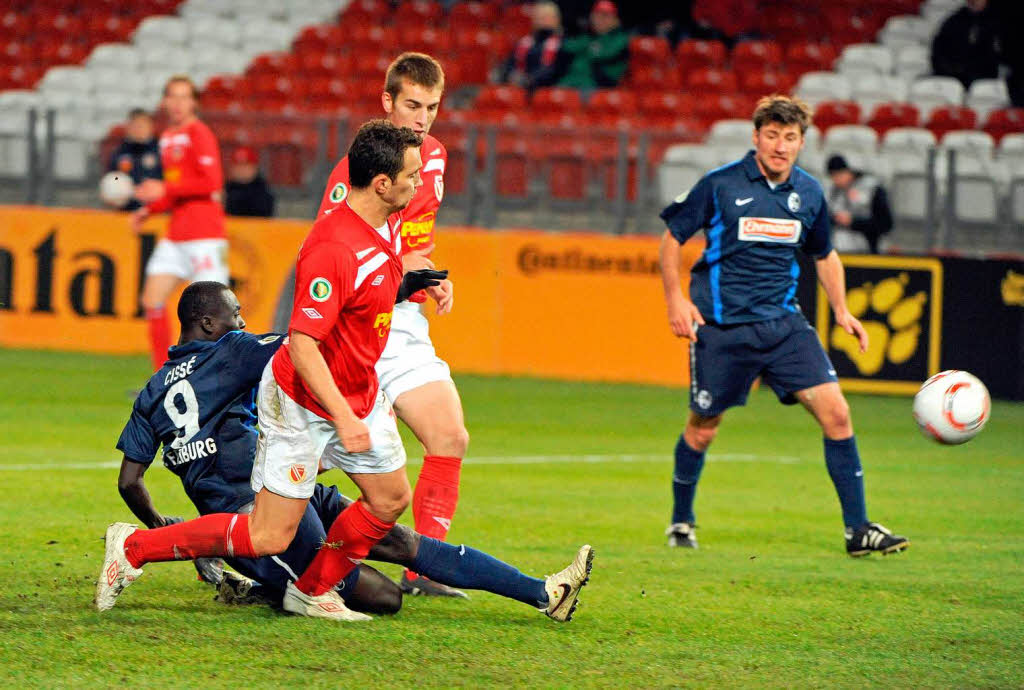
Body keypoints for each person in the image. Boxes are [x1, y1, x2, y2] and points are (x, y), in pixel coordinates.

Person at [95, 121, 594, 622]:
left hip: (358, 390)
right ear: (382, 183)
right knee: (271, 536)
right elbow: (305, 345)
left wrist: (414, 283)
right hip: (302, 402)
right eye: (412, 176)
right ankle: (136, 549)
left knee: (390, 500)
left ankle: (315, 588)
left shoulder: (387, 223)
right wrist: (344, 417)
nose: (420, 185)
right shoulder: (331, 247)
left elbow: (368, 289)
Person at [112, 281, 594, 618]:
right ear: (208, 322)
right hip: (260, 513)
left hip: (287, 486)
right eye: (235, 314)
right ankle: (259, 583)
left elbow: (129, 482)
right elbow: (304, 343)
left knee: (398, 541)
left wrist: (162, 521)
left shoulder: (150, 393)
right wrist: (389, 296)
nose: (242, 320)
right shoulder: (233, 349)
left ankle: (544, 593)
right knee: (385, 598)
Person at [657, 95, 910, 557]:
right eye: (771, 135)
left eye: (789, 137)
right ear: (756, 138)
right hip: (723, 327)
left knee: (837, 414)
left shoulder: (809, 193)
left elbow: (825, 254)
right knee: (703, 428)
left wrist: (842, 310)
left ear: (801, 142)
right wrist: (676, 298)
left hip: (784, 325)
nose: (780, 145)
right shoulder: (720, 185)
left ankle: (858, 530)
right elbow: (673, 237)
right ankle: (680, 520)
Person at [317, 53, 467, 598]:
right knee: (309, 459)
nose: (423, 118)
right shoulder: (353, 171)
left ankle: (422, 571)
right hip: (357, 323)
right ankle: (269, 551)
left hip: (403, 319)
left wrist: (429, 275)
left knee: (449, 435)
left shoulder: (435, 158)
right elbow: (334, 250)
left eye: (431, 107)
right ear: (387, 102)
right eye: (411, 105)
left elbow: (416, 243)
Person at [133, 75, 227, 373]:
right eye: (172, 96)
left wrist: (164, 191)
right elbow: (176, 190)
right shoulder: (168, 137)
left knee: (215, 315)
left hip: (204, 236)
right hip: (177, 234)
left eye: (184, 97)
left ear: (194, 102)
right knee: (152, 299)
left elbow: (211, 182)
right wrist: (151, 208)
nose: (177, 103)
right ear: (164, 101)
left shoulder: (199, 133)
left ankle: (223, 378)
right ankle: (164, 375)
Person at [825, 155, 893, 255]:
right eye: (833, 176)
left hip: (868, 253)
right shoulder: (832, 192)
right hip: (837, 252)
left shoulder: (872, 189)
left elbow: (885, 224)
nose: (836, 179)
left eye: (839, 174)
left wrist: (853, 222)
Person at [499, 1, 571, 91]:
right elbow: (510, 64)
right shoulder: (524, 42)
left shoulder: (564, 44)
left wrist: (530, 79)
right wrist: (510, 75)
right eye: (539, 17)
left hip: (548, 90)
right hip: (519, 88)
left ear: (557, 19)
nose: (542, 21)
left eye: (546, 17)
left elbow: (557, 70)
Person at [930, 0, 1001, 90]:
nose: (973, 1)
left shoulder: (996, 21)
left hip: (983, 79)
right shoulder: (954, 20)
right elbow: (938, 50)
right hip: (952, 76)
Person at [559, 1, 630, 90]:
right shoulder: (586, 36)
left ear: (616, 20)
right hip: (571, 82)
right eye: (596, 15)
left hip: (599, 85)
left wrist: (586, 49)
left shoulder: (621, 39)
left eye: (605, 16)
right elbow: (566, 47)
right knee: (547, 96)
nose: (600, 19)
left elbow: (604, 54)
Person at [105, 108, 161, 211]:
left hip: (157, 212)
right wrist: (117, 185)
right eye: (135, 125)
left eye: (142, 125)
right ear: (128, 127)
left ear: (151, 127)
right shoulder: (120, 153)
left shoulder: (160, 150)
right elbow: (113, 177)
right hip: (126, 212)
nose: (138, 129)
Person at [224, 146, 275, 218]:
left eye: (246, 166)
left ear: (255, 168)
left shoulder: (263, 192)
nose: (241, 170)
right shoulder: (225, 189)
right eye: (238, 166)